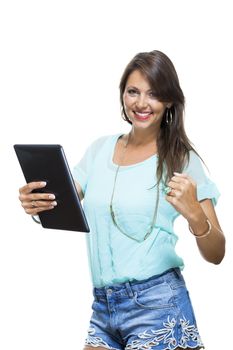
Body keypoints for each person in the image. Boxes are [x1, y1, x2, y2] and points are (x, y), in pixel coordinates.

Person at [18, 50, 225, 350]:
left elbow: (217, 253)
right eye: (133, 92)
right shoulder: (99, 150)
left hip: (158, 304)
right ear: (122, 95)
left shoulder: (181, 158)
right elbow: (60, 202)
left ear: (169, 100)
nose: (141, 103)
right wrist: (35, 202)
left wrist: (195, 216)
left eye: (154, 94)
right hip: (103, 306)